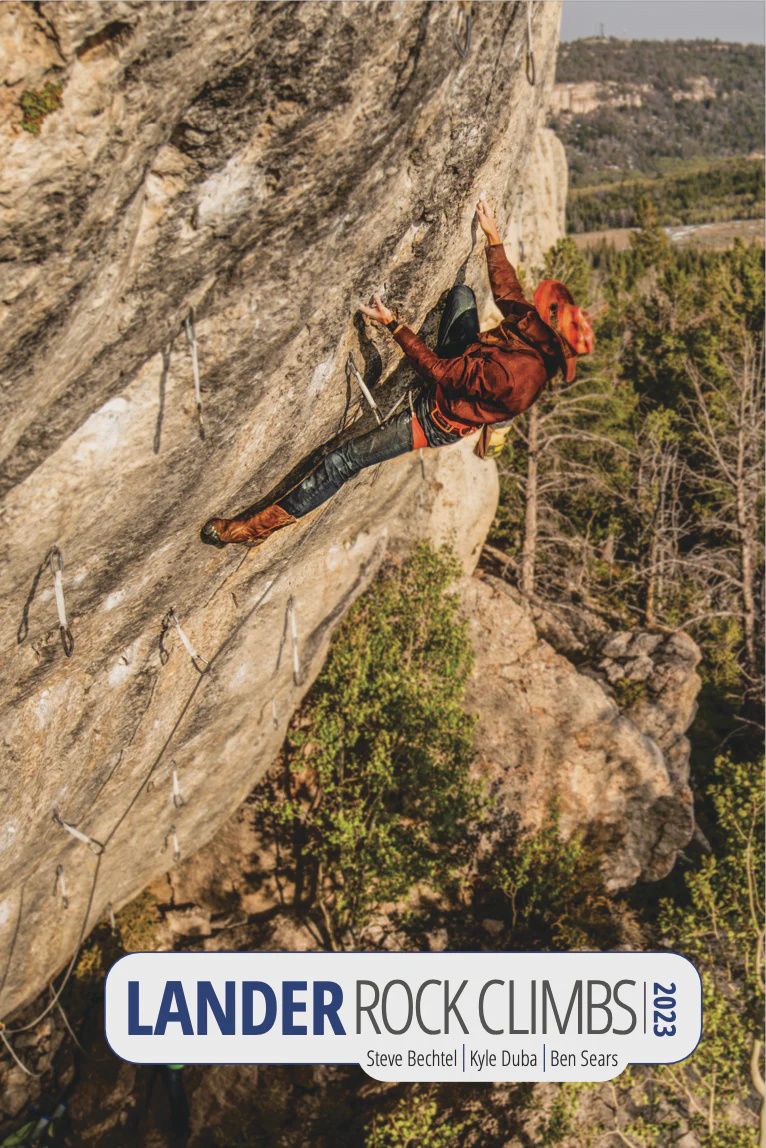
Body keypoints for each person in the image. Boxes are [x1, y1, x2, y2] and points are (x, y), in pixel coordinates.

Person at [201, 199, 594, 549]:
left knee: (343, 461)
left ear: (551, 337)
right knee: (462, 297)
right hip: (471, 374)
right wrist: (493, 238)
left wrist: (394, 326)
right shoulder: (531, 330)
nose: (544, 313)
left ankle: (252, 529)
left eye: (551, 316)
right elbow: (509, 293)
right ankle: (494, 414)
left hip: (437, 417)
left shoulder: (515, 377)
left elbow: (439, 371)